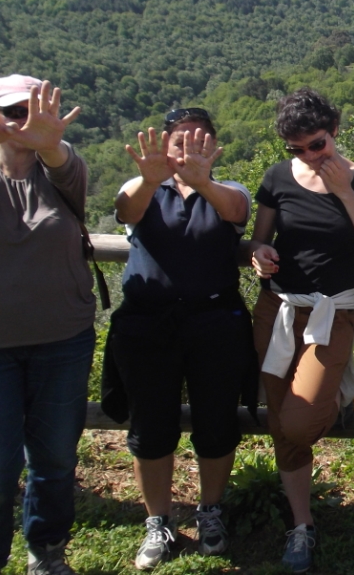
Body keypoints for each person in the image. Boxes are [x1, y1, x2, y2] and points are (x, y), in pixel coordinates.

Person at [250, 88, 354, 573]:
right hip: (277, 310)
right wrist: (258, 255)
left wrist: (345, 191)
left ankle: (336, 393)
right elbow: (259, 238)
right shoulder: (277, 178)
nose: (310, 155)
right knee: (280, 422)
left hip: (334, 314)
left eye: (318, 143)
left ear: (335, 129)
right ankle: (301, 525)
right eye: (298, 148)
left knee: (300, 421)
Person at [109, 107, 253, 568]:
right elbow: (124, 209)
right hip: (148, 326)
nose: (188, 149)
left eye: (199, 141)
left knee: (216, 423)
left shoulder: (229, 192)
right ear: (163, 146)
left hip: (215, 324)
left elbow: (237, 212)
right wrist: (152, 180)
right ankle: (159, 521)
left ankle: (210, 511)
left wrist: (203, 181)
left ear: (212, 147)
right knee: (150, 428)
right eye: (179, 142)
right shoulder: (143, 190)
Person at [0, 76, 93, 575]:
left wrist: (50, 145)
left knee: (54, 462)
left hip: (63, 340)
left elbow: (70, 174)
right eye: (11, 111)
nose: (24, 119)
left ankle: (47, 553)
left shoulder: (61, 168)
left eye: (33, 108)